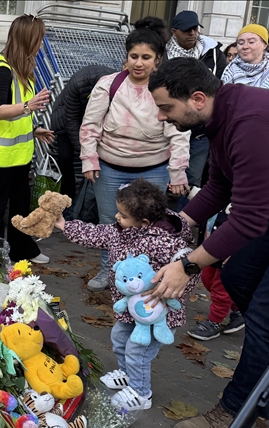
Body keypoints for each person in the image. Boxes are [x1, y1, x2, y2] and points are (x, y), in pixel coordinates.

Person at [148, 57, 269, 428]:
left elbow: (247, 221)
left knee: (265, 318)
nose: (161, 116)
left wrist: (187, 266)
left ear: (196, 98)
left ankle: (235, 415)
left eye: (165, 108)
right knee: (237, 276)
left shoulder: (251, 124)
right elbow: (218, 187)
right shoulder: (218, 117)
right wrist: (174, 225)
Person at [54, 179, 196, 410]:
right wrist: (65, 225)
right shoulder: (120, 231)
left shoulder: (165, 243)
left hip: (156, 314)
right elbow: (95, 234)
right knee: (120, 340)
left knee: (138, 352)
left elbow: (187, 271)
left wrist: (166, 293)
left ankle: (141, 394)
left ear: (144, 222)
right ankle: (127, 374)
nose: (117, 218)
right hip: (130, 306)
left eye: (123, 215)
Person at [79, 17, 191, 291]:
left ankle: (146, 274)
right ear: (126, 57)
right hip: (109, 167)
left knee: (149, 225)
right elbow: (90, 125)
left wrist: (177, 172)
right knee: (111, 223)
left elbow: (179, 132)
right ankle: (110, 271)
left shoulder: (167, 89)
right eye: (134, 56)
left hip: (153, 167)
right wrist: (89, 159)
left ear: (158, 60)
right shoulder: (109, 84)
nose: (139, 63)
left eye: (146, 57)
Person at [0, 14, 54, 263]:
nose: (41, 44)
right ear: (27, 40)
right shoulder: (2, 70)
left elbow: (17, 113)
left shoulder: (22, 70)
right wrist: (30, 106)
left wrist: (33, 130)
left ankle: (22, 250)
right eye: (39, 39)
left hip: (18, 154)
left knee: (21, 205)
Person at [165, 11, 227, 208]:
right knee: (166, 177)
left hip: (200, 132)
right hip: (171, 127)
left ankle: (182, 224)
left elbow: (218, 86)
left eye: (195, 28)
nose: (193, 33)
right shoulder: (163, 53)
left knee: (191, 182)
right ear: (174, 32)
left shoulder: (213, 53)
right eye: (187, 30)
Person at [49, 65, 115, 200]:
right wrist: (84, 150)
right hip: (65, 116)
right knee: (65, 157)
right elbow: (71, 121)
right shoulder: (79, 84)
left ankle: (91, 196)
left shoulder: (115, 84)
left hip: (95, 117)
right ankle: (68, 197)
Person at [186, 202, 246, 341]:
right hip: (209, 250)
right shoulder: (222, 192)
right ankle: (239, 310)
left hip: (228, 255)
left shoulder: (244, 202)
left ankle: (214, 322)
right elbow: (204, 196)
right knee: (208, 281)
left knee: (221, 291)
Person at [221, 24, 269, 91]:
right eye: (241, 43)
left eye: (251, 42)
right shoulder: (228, 71)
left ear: (265, 45)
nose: (245, 46)